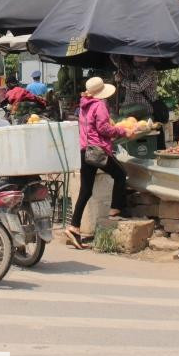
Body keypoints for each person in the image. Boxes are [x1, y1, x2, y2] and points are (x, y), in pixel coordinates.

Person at [65, 77, 132, 250]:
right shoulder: (99, 105)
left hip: (85, 151)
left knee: (85, 191)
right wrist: (122, 131)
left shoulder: (83, 105)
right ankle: (115, 210)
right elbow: (104, 129)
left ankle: (74, 227)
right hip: (97, 151)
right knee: (120, 174)